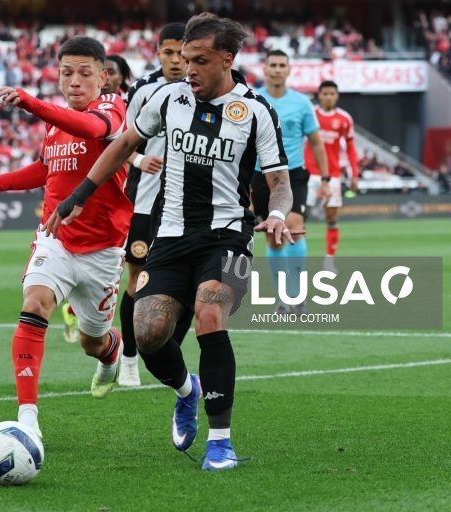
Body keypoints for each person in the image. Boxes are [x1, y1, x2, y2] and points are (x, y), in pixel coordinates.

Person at [45, 13, 294, 471]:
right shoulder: (167, 98)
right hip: (172, 234)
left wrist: (277, 213)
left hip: (230, 235)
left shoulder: (256, 110)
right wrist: (79, 196)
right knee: (148, 331)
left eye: (199, 60)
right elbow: (121, 146)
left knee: (210, 313)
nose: (189, 69)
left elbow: (279, 181)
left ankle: (221, 442)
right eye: (183, 58)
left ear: (227, 58)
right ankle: (187, 390)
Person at [0, 36, 132, 440]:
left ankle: (110, 354)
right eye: (66, 73)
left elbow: (91, 127)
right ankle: (28, 420)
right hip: (55, 236)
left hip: (103, 248)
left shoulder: (112, 109)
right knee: (35, 303)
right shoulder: (57, 123)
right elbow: (45, 170)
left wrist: (29, 102)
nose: (74, 81)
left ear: (103, 77)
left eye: (84, 73)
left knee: (93, 340)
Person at [117, 22, 194, 388]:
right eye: (169, 53)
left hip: (187, 205)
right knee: (136, 278)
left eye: (182, 53)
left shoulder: (202, 89)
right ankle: (130, 357)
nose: (176, 60)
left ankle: (167, 353)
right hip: (146, 201)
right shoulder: (144, 90)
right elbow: (120, 139)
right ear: (158, 52)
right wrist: (136, 160)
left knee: (189, 282)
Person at [61, 52, 133, 344]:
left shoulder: (124, 104)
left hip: (136, 195)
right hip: (116, 198)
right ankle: (76, 309)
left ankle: (79, 310)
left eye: (115, 73)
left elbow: (127, 141)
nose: (111, 78)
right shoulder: (91, 110)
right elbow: (124, 146)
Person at [251, 49, 330, 313]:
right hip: (259, 174)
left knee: (294, 226)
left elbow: (317, 143)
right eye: (272, 64)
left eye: (281, 65)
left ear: (288, 70)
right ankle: (284, 297)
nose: (276, 69)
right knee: (274, 239)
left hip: (293, 173)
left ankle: (297, 295)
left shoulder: (302, 103)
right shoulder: (253, 99)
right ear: (265, 69)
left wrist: (326, 178)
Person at [303, 80, 359, 273]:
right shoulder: (310, 114)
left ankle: (329, 260)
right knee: (300, 217)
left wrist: (354, 174)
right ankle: (298, 260)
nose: (328, 97)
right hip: (308, 174)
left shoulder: (344, 119)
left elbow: (351, 148)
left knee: (332, 217)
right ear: (319, 95)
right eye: (325, 93)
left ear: (337, 96)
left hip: (333, 175)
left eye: (332, 94)